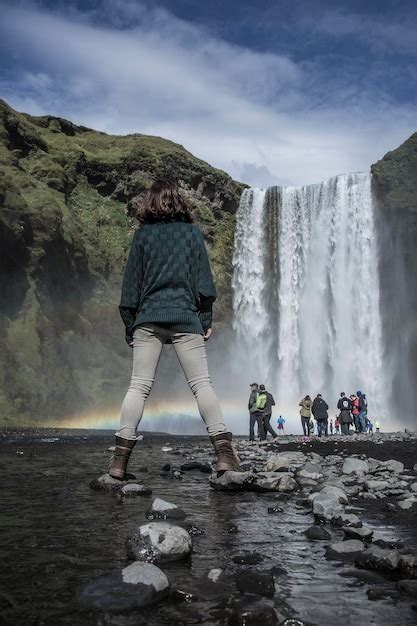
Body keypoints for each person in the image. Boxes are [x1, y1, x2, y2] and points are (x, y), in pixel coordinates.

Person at [108, 179, 241, 479]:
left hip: (148, 319)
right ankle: (223, 456)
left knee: (138, 387)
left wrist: (131, 326)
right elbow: (205, 286)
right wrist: (204, 319)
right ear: (179, 201)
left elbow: (130, 289)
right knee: (202, 385)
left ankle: (118, 463)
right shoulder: (192, 235)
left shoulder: (142, 237)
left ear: (149, 203)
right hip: (185, 318)